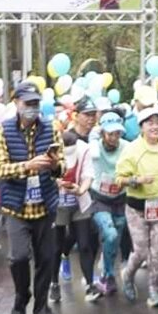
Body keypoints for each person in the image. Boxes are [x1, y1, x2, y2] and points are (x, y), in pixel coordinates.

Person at [0, 81, 63, 314]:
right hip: (17, 206)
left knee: (46, 258)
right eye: (28, 103)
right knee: (19, 257)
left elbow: (61, 168)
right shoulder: (3, 130)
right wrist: (28, 166)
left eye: (36, 103)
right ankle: (22, 295)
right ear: (16, 104)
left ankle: (41, 307)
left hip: (45, 204)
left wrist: (55, 165)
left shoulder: (51, 128)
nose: (32, 108)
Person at [116, 106, 158, 308]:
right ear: (141, 127)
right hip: (137, 207)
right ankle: (128, 275)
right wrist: (136, 180)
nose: (155, 127)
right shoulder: (132, 150)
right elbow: (119, 179)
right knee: (141, 251)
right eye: (150, 123)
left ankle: (154, 291)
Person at [50, 130, 100, 303]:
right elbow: (44, 175)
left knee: (85, 243)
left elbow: (88, 175)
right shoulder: (50, 150)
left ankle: (90, 284)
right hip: (57, 202)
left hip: (79, 201)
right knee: (56, 246)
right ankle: (54, 284)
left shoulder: (84, 150)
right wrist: (56, 182)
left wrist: (80, 189)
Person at [88, 112, 129, 295]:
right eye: (110, 133)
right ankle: (107, 273)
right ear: (103, 133)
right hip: (99, 198)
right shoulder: (94, 148)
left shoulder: (127, 147)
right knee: (110, 234)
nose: (114, 138)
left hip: (120, 198)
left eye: (117, 133)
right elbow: (92, 151)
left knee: (116, 238)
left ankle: (107, 273)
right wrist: (95, 134)